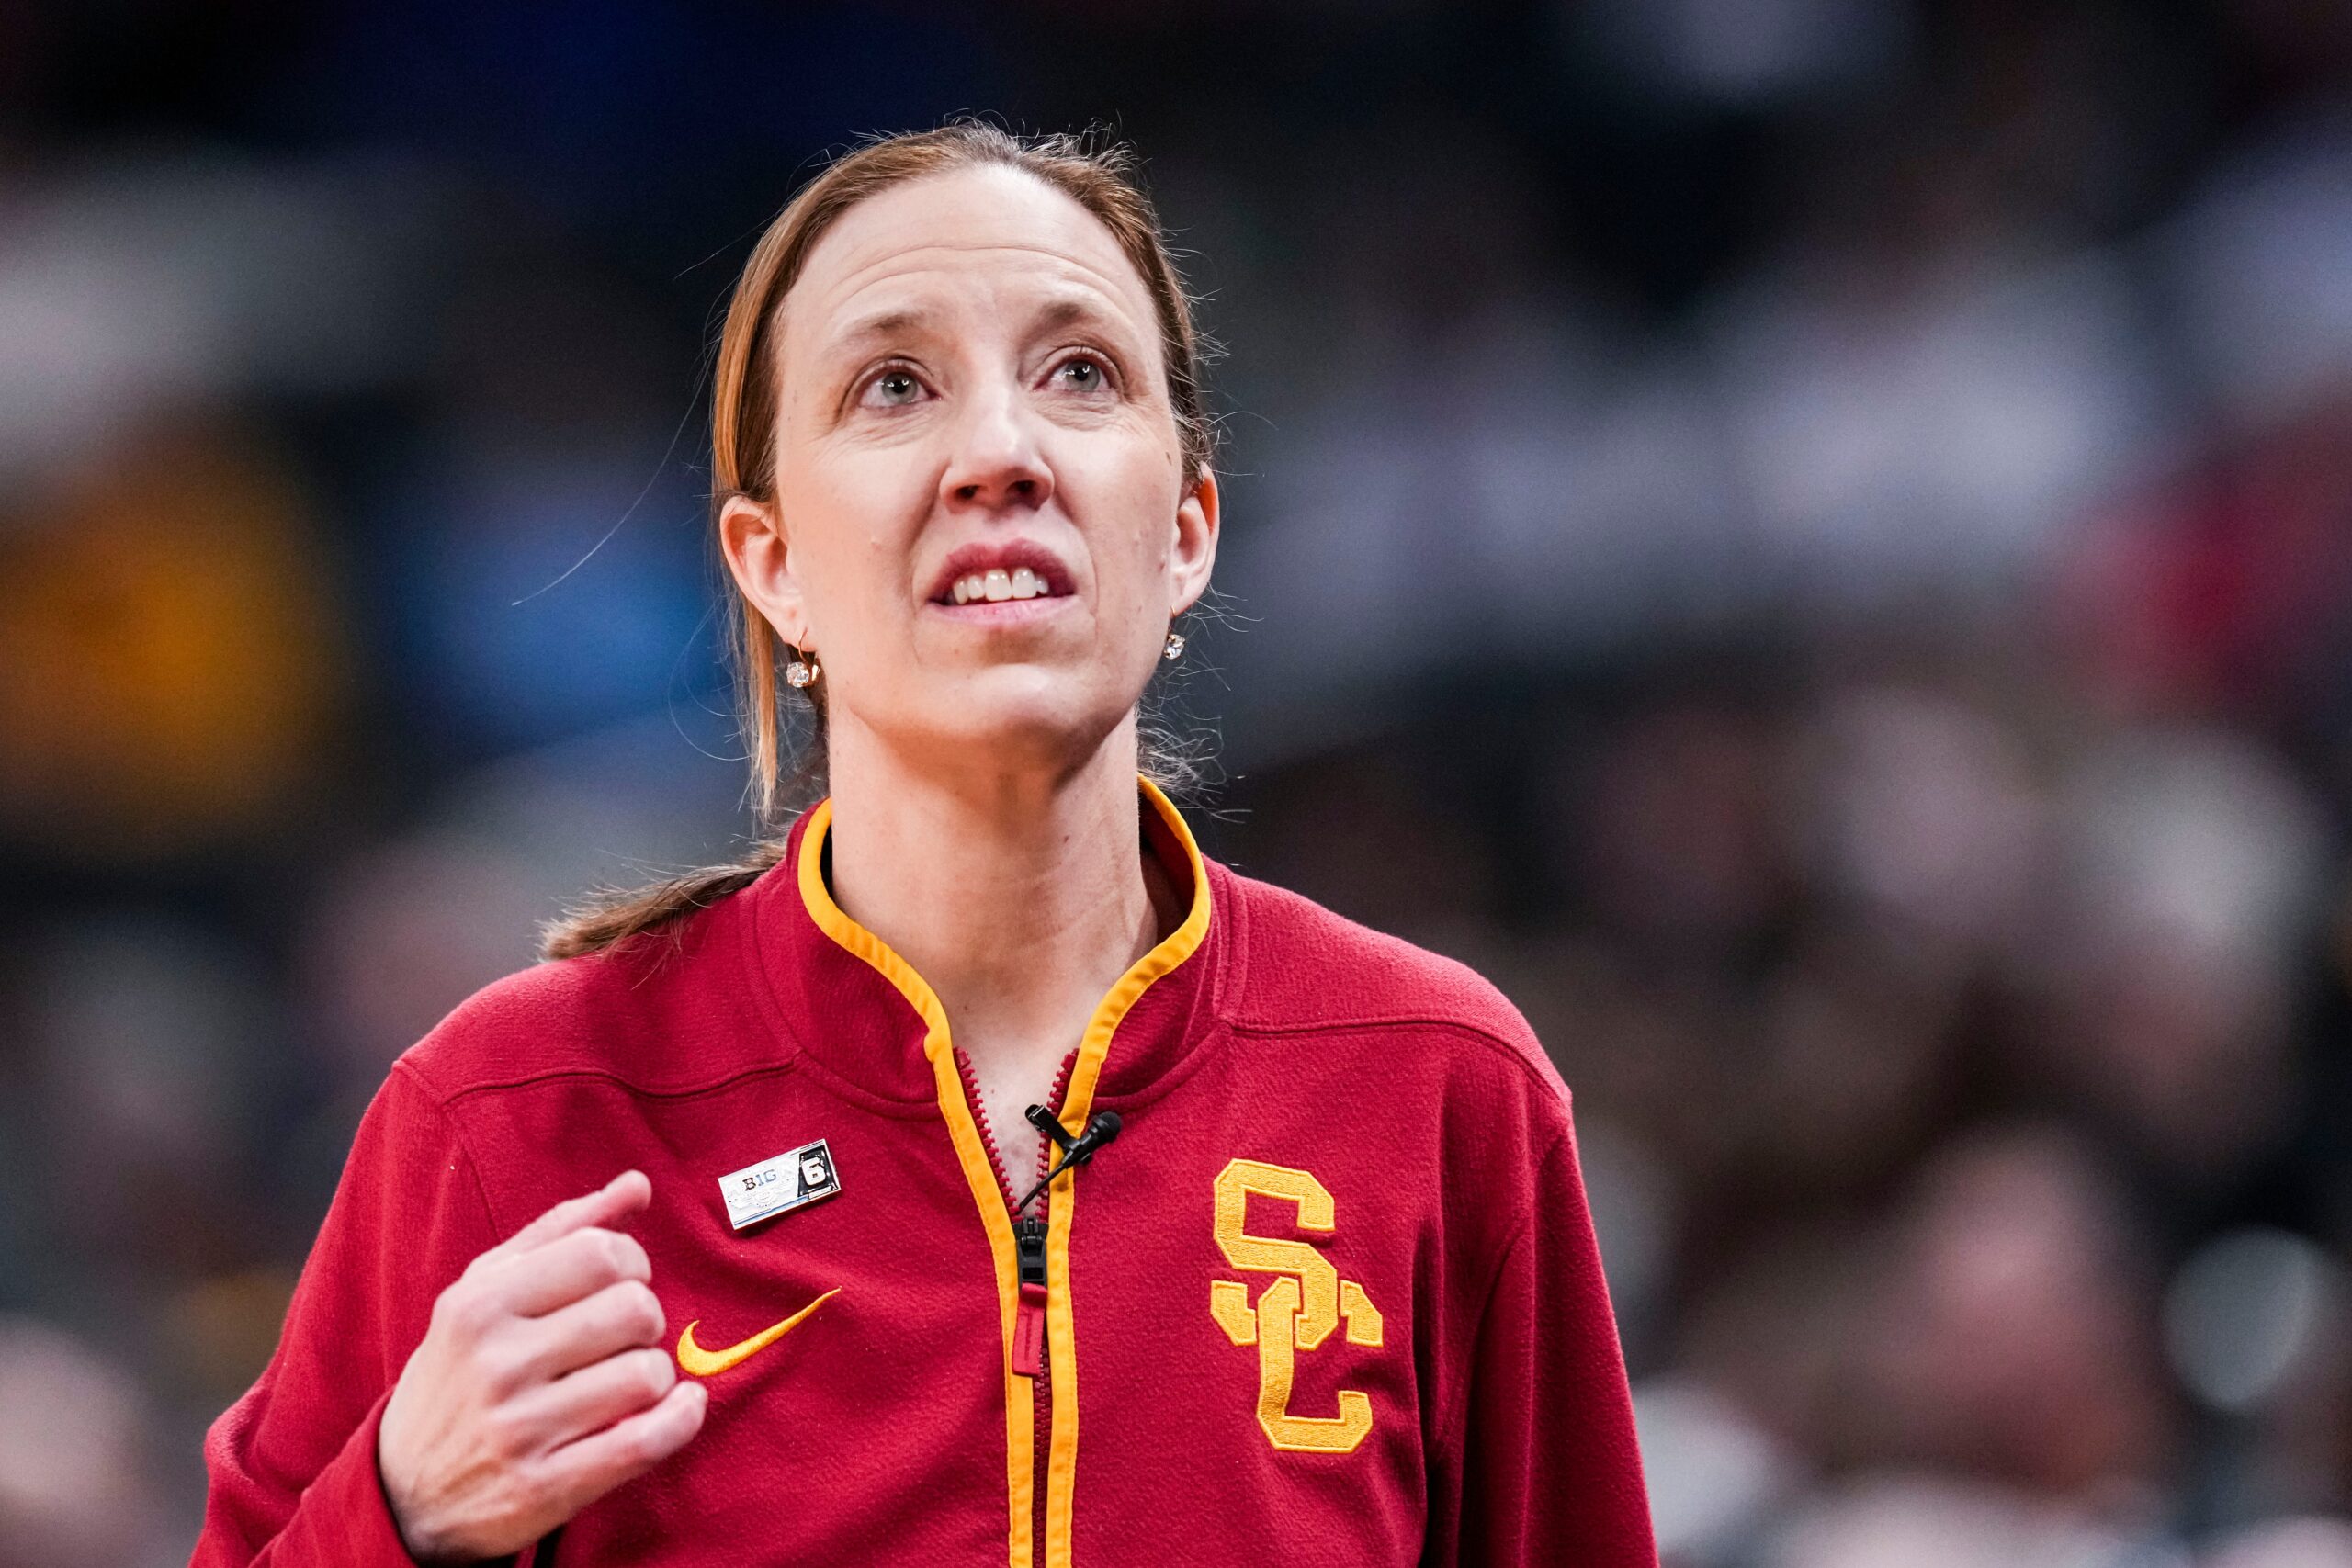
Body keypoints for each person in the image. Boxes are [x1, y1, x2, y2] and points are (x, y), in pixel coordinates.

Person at [192, 121, 1657, 1568]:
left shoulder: (1437, 1085)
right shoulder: (516, 1112)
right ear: (773, 568)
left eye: (1079, 374)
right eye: (893, 386)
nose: (1000, 454)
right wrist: (400, 1515)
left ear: (1187, 532)